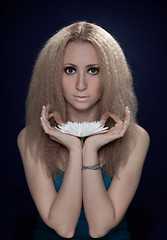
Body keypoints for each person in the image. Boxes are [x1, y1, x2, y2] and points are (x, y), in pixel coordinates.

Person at [17, 21, 150, 239]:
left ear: (110, 75)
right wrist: (74, 147)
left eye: (93, 70)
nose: (81, 84)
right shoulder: (30, 137)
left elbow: (99, 228)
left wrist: (89, 148)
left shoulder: (136, 137)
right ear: (53, 76)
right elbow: (64, 228)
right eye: (69, 70)